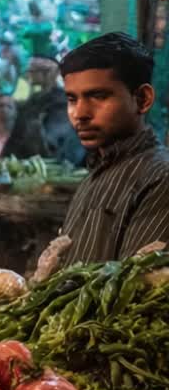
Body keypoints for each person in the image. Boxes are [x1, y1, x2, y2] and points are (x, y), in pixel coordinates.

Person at [57, 33, 169, 265]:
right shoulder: (97, 172)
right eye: (72, 99)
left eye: (98, 96)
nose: (80, 113)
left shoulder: (160, 178)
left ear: (143, 99)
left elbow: (132, 289)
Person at [17, 55, 84, 165]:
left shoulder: (63, 100)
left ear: (52, 73)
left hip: (57, 165)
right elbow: (16, 137)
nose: (30, 73)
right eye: (31, 70)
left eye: (36, 69)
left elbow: (55, 140)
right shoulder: (31, 101)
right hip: (28, 164)